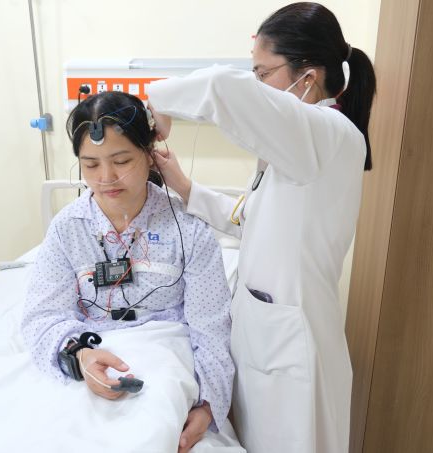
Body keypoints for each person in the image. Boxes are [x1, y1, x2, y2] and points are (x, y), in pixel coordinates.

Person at [147, 2, 376, 452]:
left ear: (307, 77)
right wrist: (184, 186)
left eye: (262, 73)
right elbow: (252, 218)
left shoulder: (324, 132)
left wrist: (159, 98)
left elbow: (221, 87)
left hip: (289, 352)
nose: (256, 84)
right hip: (267, 339)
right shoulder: (305, 144)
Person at [21, 91, 234, 452]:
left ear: (150, 154)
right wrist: (79, 357)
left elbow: (211, 331)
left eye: (121, 160)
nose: (106, 177)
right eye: (90, 165)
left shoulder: (189, 228)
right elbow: (42, 316)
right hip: (93, 354)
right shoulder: (68, 228)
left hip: (165, 357)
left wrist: (208, 407)